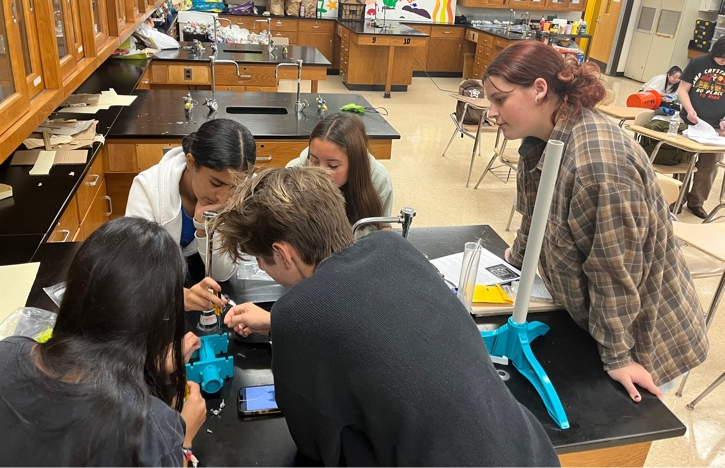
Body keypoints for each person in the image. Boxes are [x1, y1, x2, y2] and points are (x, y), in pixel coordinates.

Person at [217, 167, 558, 467]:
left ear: (283, 253)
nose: (265, 270)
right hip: (531, 452)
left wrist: (289, 326)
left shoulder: (296, 313)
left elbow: (315, 443)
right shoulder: (395, 248)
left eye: (262, 262)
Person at [482, 40, 708, 401]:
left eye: (500, 99)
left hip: (640, 340)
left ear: (539, 90)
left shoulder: (597, 165)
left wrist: (618, 356)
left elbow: (615, 270)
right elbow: (535, 215)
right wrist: (517, 259)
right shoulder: (541, 139)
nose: (491, 111)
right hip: (590, 321)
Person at [0, 217, 206, 466]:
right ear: (162, 320)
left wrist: (149, 369)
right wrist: (183, 441)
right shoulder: (152, 427)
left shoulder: (5, 356)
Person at [126, 118, 256, 311]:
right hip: (158, 301)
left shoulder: (238, 194)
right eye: (216, 183)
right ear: (191, 162)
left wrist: (205, 228)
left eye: (235, 187)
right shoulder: (147, 188)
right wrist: (178, 297)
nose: (225, 197)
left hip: (208, 293)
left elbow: (222, 274)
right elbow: (135, 270)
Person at [286, 113, 393, 236]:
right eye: (314, 161)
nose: (320, 173)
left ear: (355, 163)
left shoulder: (378, 180)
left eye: (332, 166)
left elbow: (384, 231)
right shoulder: (293, 172)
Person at [676, 36, 725, 219]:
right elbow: (683, 89)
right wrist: (690, 111)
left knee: (709, 166)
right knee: (684, 163)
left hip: (716, 127)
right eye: (721, 58)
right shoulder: (698, 62)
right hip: (691, 122)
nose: (723, 62)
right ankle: (677, 198)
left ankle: (696, 202)